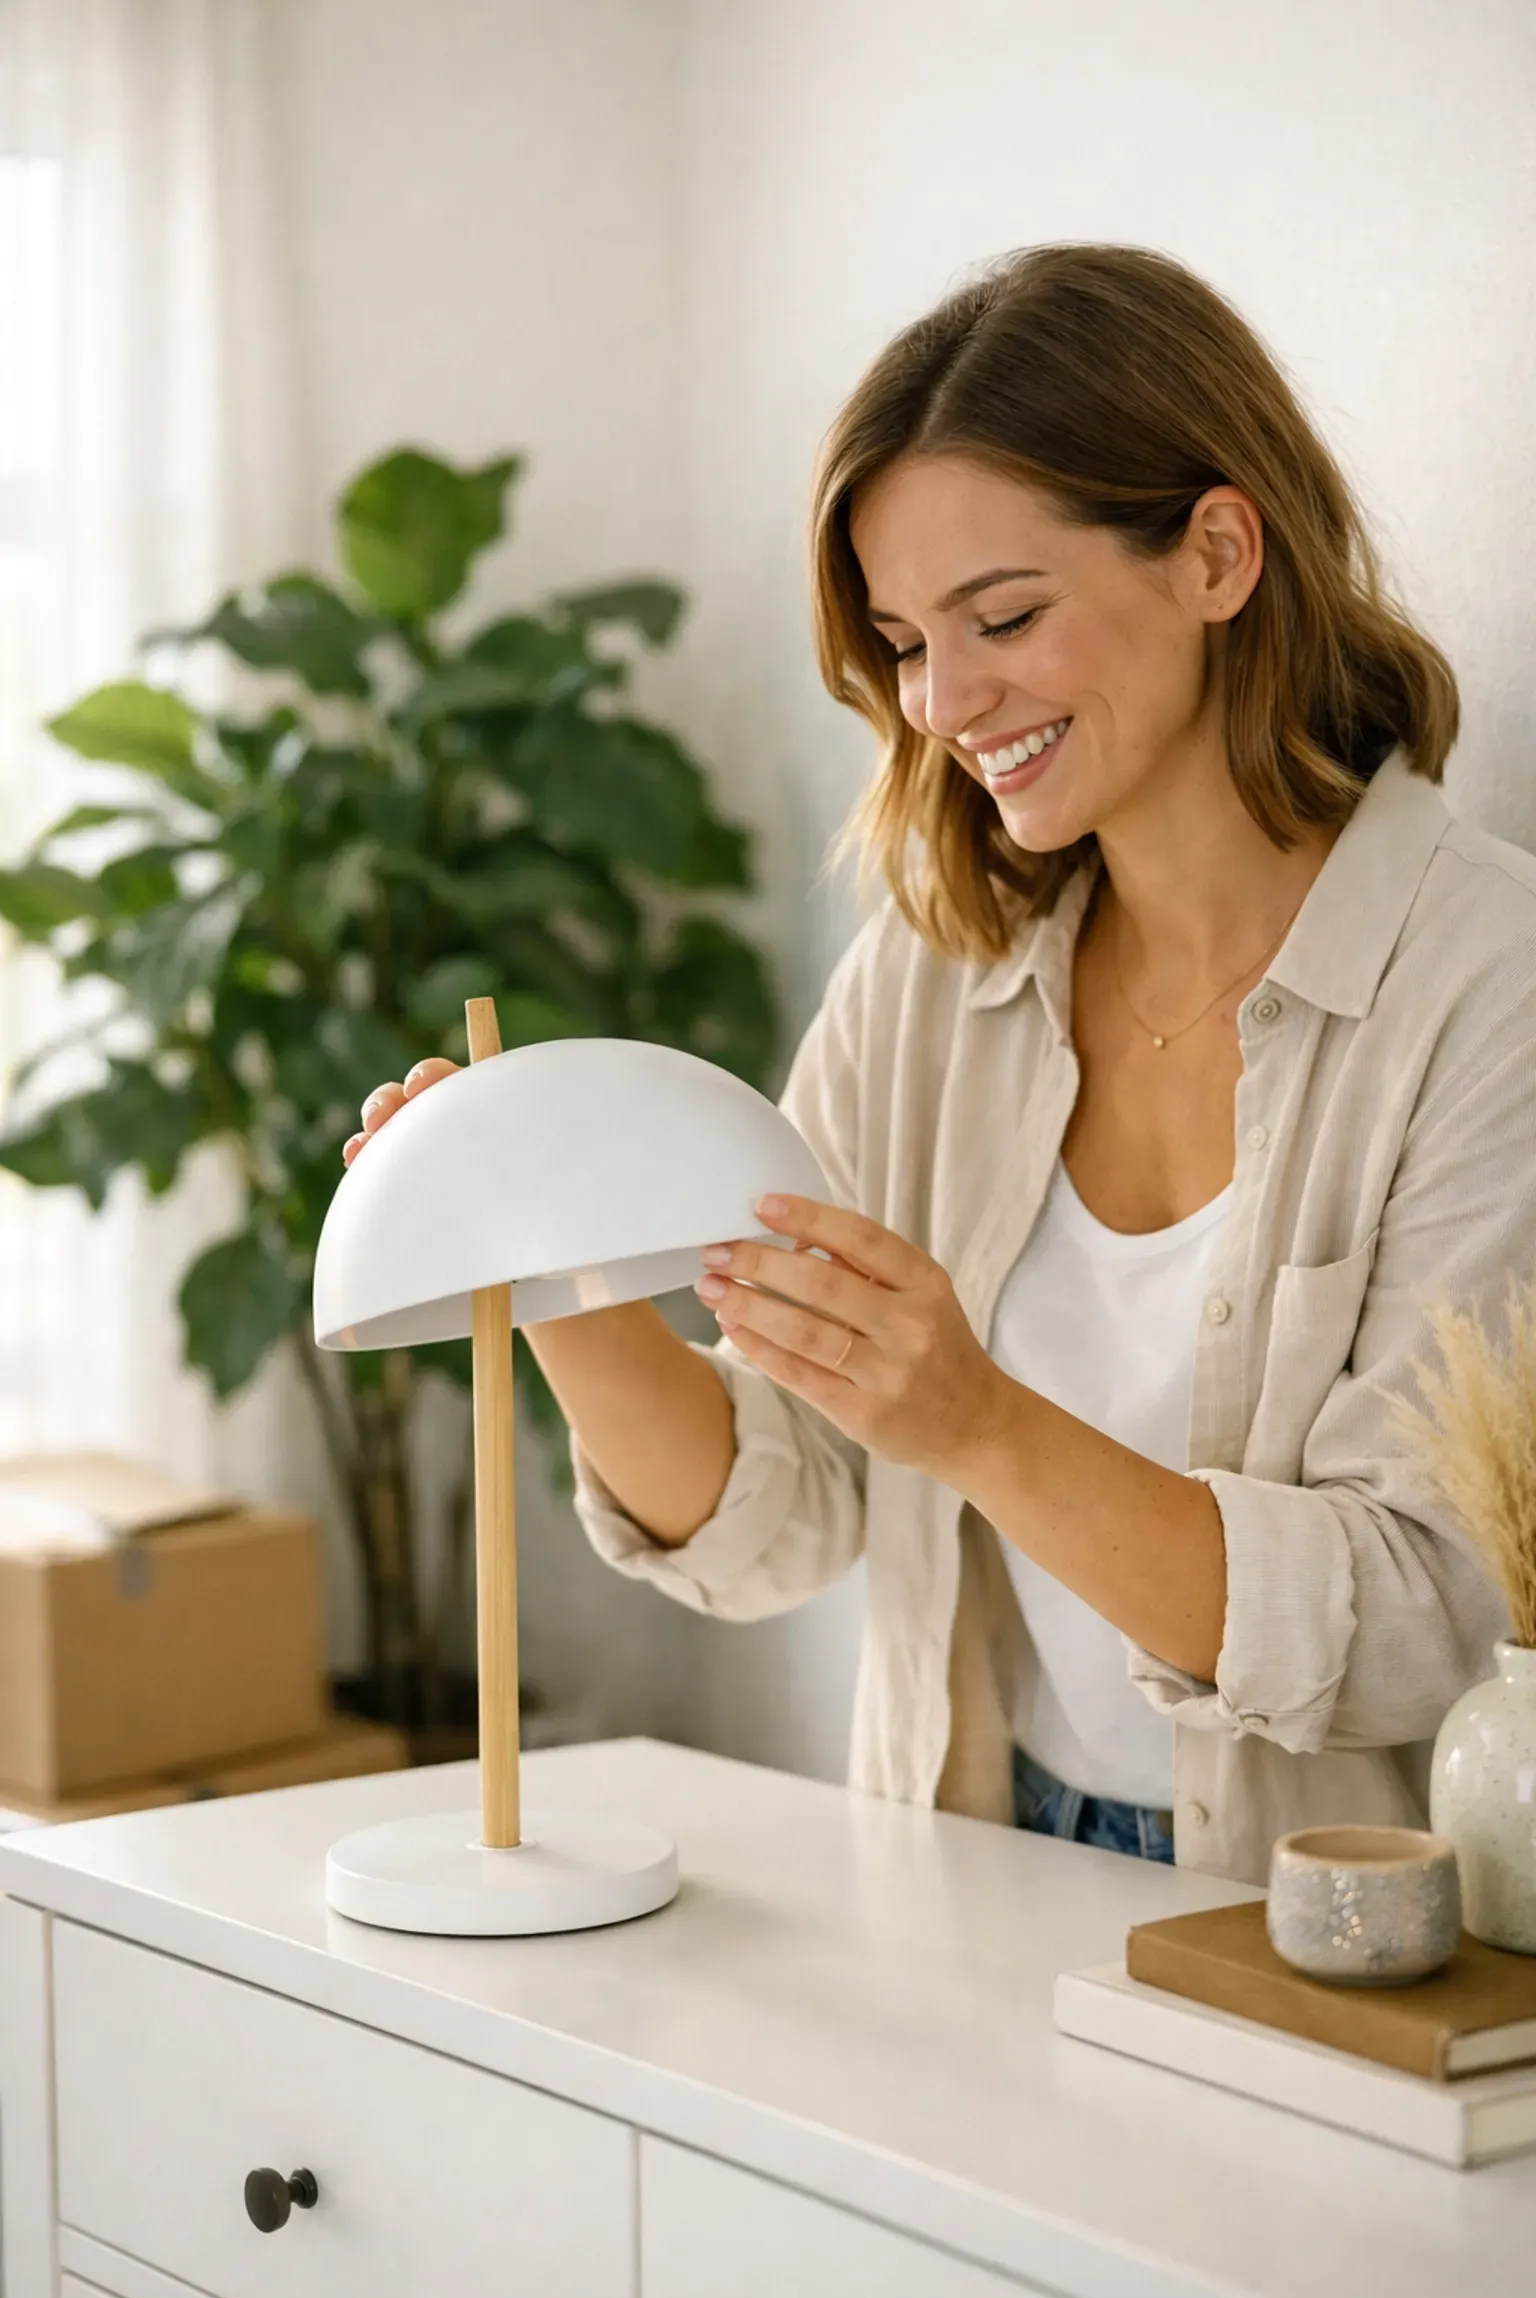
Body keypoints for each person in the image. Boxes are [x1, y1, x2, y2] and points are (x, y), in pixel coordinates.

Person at [346, 244, 1534, 1885]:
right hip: (976, 1859)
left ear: (1217, 552)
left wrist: (977, 1422)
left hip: (1330, 1929)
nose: (944, 702)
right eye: (906, 640)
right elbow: (785, 1511)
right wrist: (546, 1269)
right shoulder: (934, 976)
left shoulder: (1487, 984)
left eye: (1005, 616)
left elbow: (1429, 1616)